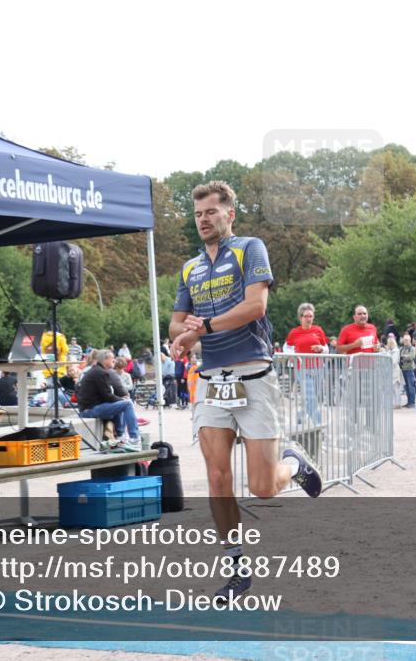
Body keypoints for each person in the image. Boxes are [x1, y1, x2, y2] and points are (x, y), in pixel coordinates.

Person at [168, 180, 321, 601]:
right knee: (217, 478)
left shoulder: (249, 249)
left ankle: (294, 463)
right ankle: (237, 568)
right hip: (212, 382)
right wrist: (181, 337)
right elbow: (176, 323)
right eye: (198, 214)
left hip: (253, 376)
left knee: (263, 487)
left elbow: (257, 306)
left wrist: (204, 327)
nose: (204, 219)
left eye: (211, 212)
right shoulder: (189, 268)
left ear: (229, 214)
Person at [76, 349, 141, 449]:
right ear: (105, 360)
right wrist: (121, 399)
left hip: (89, 407)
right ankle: (134, 438)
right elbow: (107, 396)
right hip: (89, 410)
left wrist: (119, 399)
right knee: (127, 404)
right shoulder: (100, 373)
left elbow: (107, 396)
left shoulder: (97, 370)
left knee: (121, 404)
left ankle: (120, 437)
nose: (114, 361)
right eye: (112, 359)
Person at [284, 302, 329, 425]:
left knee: (309, 397)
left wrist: (320, 348)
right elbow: (286, 347)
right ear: (300, 317)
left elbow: (326, 349)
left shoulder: (318, 330)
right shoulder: (294, 332)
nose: (309, 319)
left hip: (318, 368)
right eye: (306, 316)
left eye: (311, 316)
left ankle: (299, 420)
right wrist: (292, 356)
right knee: (311, 397)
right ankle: (318, 425)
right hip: (302, 368)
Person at [384, 334, 404, 408]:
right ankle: (393, 403)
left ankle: (398, 404)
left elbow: (394, 361)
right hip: (390, 371)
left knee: (396, 387)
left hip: (395, 371)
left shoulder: (396, 350)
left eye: (389, 343)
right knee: (391, 388)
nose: (388, 344)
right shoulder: (389, 350)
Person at [399, 334, 416, 409]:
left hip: (410, 370)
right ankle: (408, 402)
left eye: (407, 340)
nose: (405, 341)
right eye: (404, 340)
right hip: (403, 369)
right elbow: (399, 357)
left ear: (410, 340)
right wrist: (405, 357)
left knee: (411, 386)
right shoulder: (401, 348)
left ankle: (412, 403)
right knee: (406, 387)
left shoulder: (412, 348)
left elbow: (411, 357)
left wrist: (403, 357)